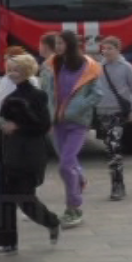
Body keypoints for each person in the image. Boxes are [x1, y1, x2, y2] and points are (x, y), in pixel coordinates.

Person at [0, 53, 61, 257]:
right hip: (8, 153)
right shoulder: (9, 98)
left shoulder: (37, 95)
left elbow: (43, 125)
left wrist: (18, 126)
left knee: (25, 197)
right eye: (9, 69)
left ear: (25, 71)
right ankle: (7, 244)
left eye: (15, 69)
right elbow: (1, 127)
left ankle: (51, 221)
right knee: (4, 198)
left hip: (28, 153)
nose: (11, 73)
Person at [41, 31, 102, 229]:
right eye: (56, 43)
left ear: (71, 44)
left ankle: (74, 207)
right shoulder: (52, 65)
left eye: (61, 43)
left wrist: (79, 106)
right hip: (57, 122)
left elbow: (97, 94)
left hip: (77, 122)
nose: (57, 46)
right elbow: (46, 92)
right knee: (68, 163)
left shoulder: (88, 65)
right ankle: (80, 179)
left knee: (66, 165)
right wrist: (47, 115)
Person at [96, 36, 132, 200]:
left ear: (118, 50)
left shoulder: (126, 67)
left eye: (109, 48)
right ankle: (118, 183)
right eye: (104, 48)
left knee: (114, 146)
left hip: (118, 113)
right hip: (102, 113)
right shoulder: (97, 67)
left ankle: (117, 185)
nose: (106, 51)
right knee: (110, 148)